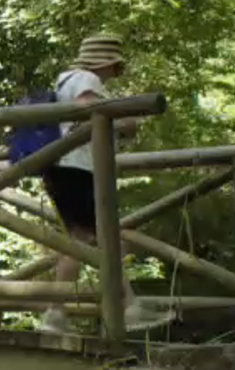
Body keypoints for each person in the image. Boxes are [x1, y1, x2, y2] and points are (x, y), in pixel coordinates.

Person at [37, 35, 170, 334]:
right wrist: (124, 121)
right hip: (78, 168)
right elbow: (89, 109)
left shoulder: (65, 80)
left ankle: (57, 314)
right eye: (115, 65)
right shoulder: (86, 79)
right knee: (103, 239)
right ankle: (129, 309)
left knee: (81, 240)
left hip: (61, 168)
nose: (116, 72)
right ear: (107, 63)